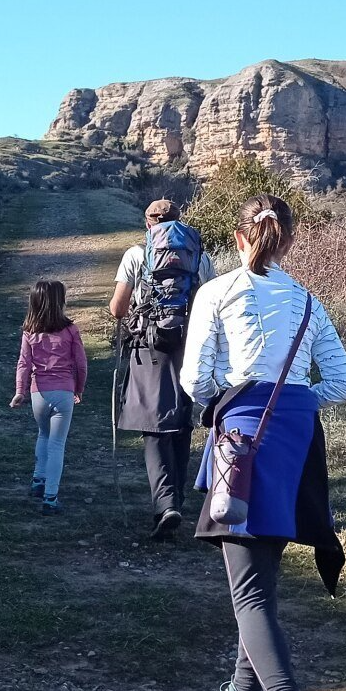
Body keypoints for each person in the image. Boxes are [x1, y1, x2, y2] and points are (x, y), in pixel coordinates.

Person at [180, 193, 346, 691]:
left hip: (242, 442)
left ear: (238, 236)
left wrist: (226, 407)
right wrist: (295, 409)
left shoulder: (217, 292)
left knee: (250, 591)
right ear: (288, 240)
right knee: (256, 584)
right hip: (297, 442)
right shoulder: (307, 300)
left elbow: (195, 377)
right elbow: (341, 381)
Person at [108, 198, 217, 539]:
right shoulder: (201, 255)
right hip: (191, 343)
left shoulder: (137, 255)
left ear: (148, 224)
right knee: (181, 421)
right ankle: (177, 501)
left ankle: (165, 504)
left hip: (149, 345)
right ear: (178, 220)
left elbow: (118, 308)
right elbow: (208, 301)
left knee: (153, 425)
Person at [11, 278, 87, 515]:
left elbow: (24, 364)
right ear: (60, 302)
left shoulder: (30, 332)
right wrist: (79, 388)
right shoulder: (70, 330)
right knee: (57, 444)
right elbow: (81, 363)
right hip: (63, 392)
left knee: (43, 435)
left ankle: (38, 480)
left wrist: (20, 392)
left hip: (38, 394)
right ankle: (51, 497)